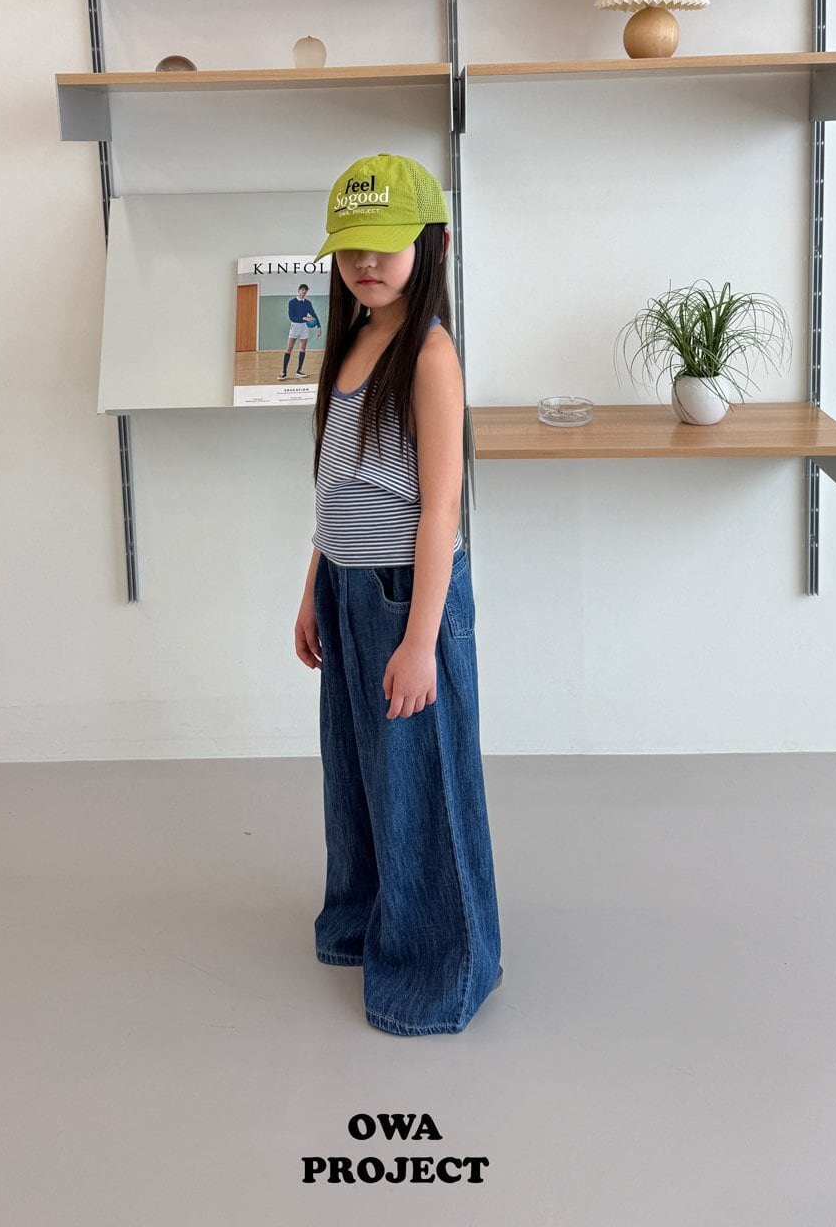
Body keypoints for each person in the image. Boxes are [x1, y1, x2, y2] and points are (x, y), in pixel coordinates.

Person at [292, 152, 503, 1036]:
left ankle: (439, 967)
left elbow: (440, 510)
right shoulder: (351, 342)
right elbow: (337, 486)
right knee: (355, 773)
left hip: (405, 596)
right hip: (347, 591)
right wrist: (314, 586)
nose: (366, 264)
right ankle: (363, 922)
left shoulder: (429, 355)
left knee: (420, 780)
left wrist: (420, 640)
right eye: (350, 249)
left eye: (384, 245)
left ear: (433, 244)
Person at [281, 284, 321, 379]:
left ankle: (299, 371)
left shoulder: (308, 303)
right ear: (298, 291)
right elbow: (292, 317)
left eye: (305, 290)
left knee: (303, 349)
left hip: (304, 327)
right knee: (288, 349)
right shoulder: (292, 302)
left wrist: (319, 326)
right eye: (302, 290)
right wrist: (304, 318)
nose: (304, 292)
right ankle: (284, 372)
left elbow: (314, 314)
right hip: (295, 326)